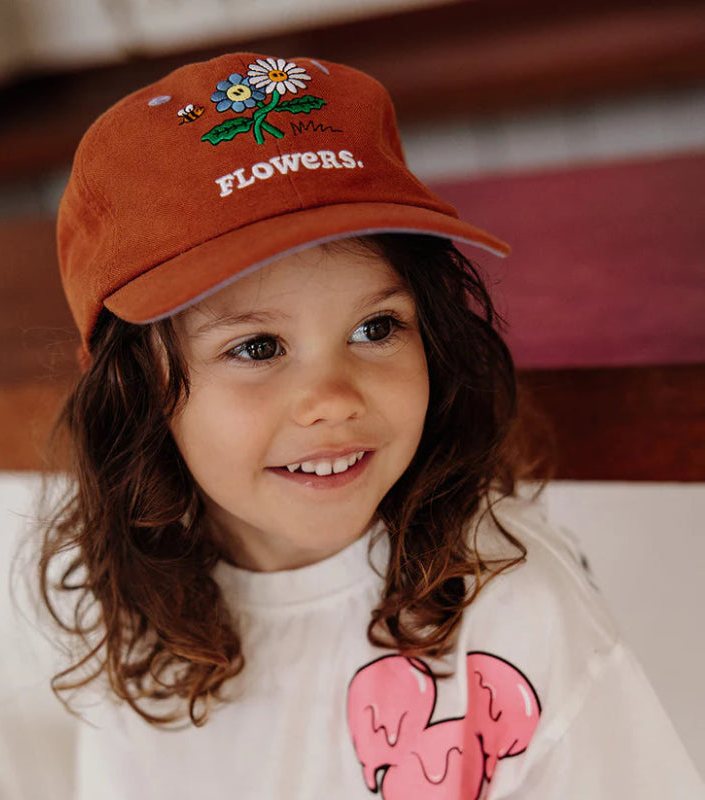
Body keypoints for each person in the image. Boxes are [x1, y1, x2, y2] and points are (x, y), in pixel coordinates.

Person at [42, 53, 702, 798]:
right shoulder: (141, 631)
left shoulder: (514, 611)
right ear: (137, 397)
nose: (332, 398)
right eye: (257, 347)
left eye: (376, 327)